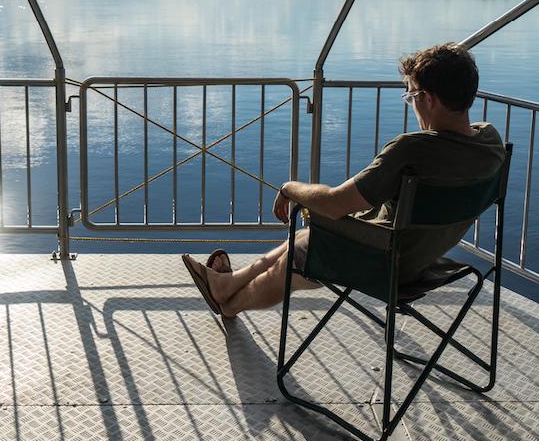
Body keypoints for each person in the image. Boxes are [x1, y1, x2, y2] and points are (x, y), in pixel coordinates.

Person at [182, 42, 505, 318]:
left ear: (429, 98)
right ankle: (229, 283)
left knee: (306, 244)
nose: (412, 106)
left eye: (411, 97)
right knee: (308, 236)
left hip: (385, 263)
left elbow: (335, 204)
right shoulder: (490, 142)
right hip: (423, 256)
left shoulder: (412, 149)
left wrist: (290, 188)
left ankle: (229, 306)